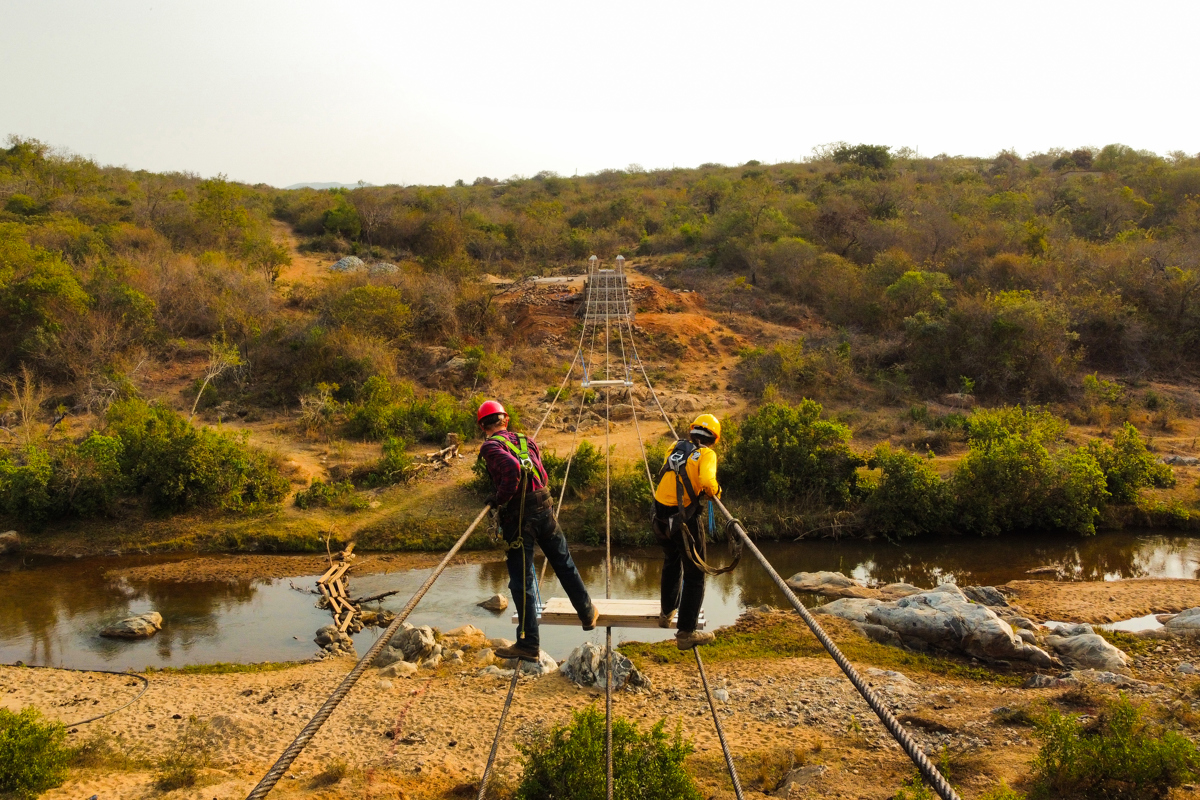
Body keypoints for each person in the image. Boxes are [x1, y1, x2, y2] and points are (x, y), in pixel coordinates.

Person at [477, 400, 599, 661]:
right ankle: (587, 613)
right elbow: (540, 472)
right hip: (544, 507)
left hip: (520, 519)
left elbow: (511, 470)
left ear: (482, 426)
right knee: (564, 563)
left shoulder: (490, 446)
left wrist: (499, 498)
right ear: (505, 420)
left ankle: (528, 643)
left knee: (521, 583)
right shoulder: (525, 440)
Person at [653, 413, 722, 650]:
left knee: (672, 560)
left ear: (692, 431)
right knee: (695, 573)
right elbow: (707, 481)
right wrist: (715, 491)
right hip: (684, 521)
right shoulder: (707, 454)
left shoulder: (676, 446)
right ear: (714, 438)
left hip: (660, 518)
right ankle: (686, 632)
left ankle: (666, 613)